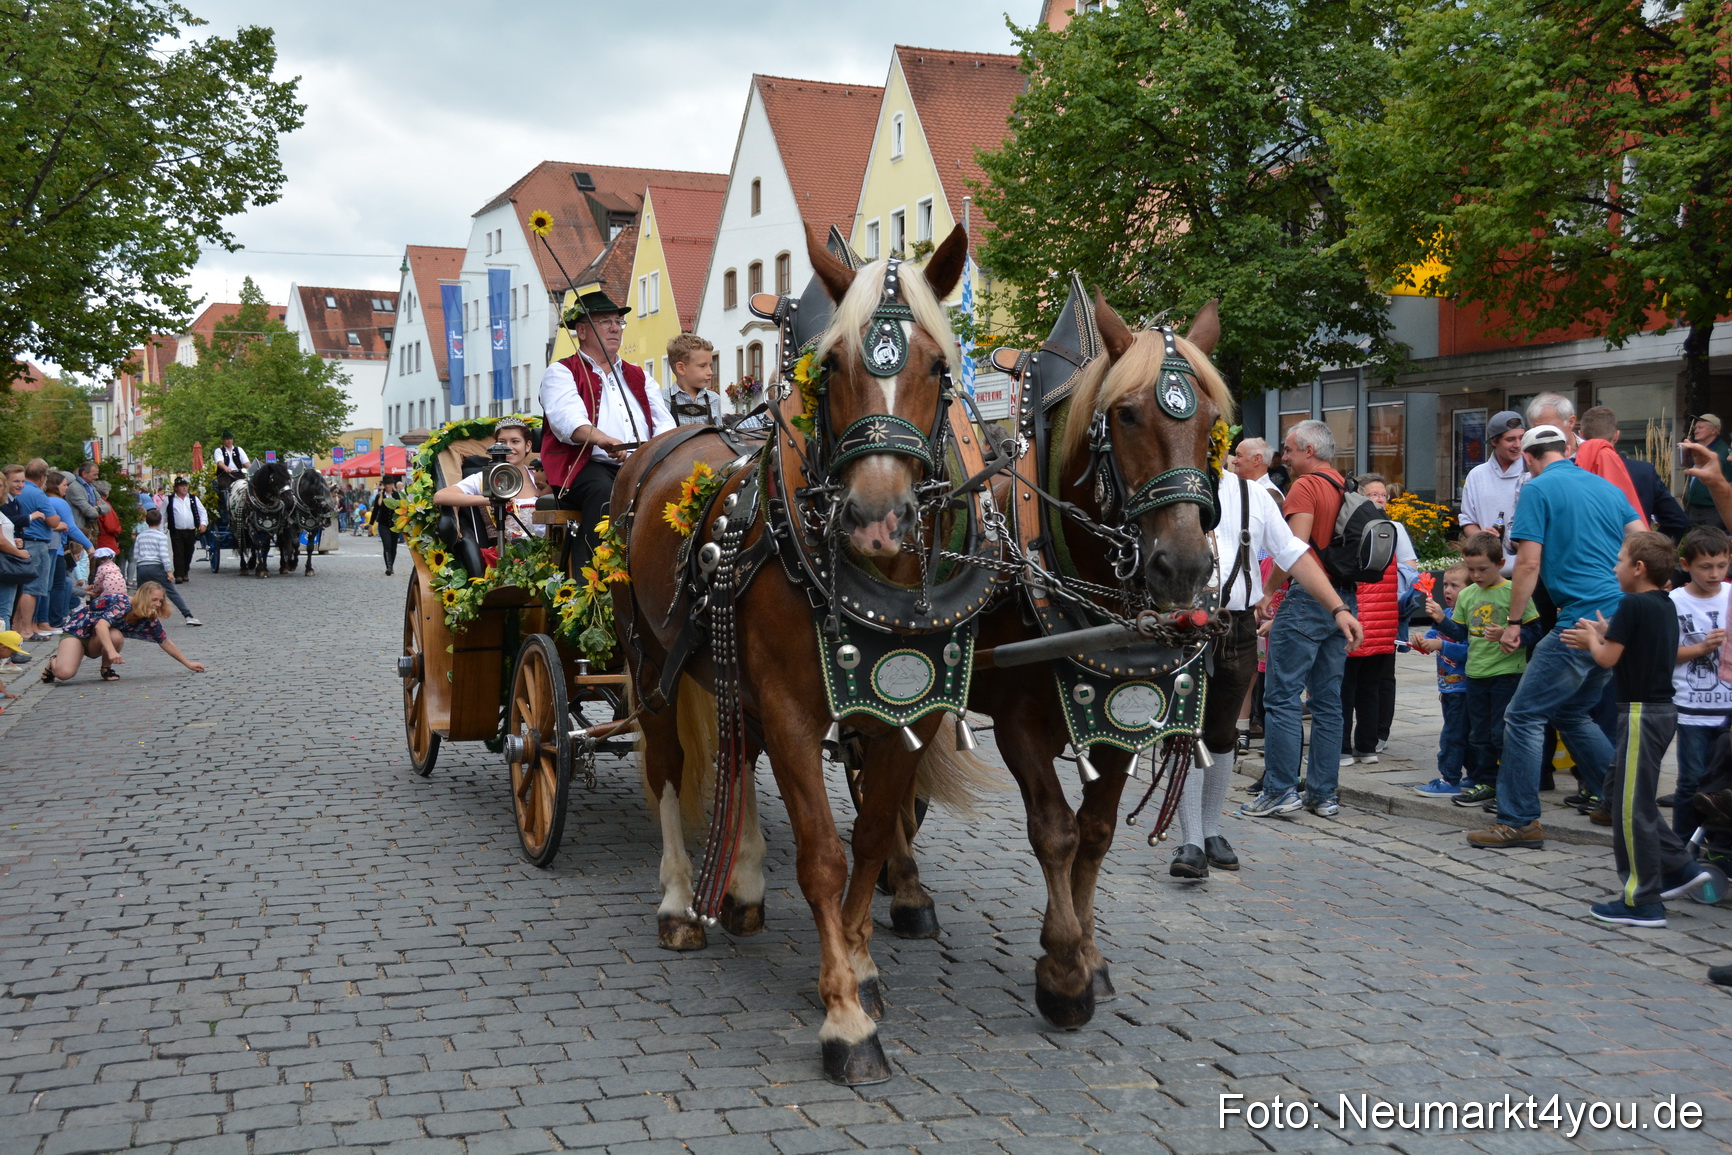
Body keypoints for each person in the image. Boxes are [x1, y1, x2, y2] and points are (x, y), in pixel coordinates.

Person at [1170, 469, 1363, 879]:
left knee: (1222, 733)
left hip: (1235, 626)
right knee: (1184, 730)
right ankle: (1188, 841)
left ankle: (1210, 830)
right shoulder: (1167, 484)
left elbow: (1294, 552)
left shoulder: (1249, 494)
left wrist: (1338, 608)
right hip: (1180, 625)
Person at [1466, 424, 1645, 850]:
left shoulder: (1537, 490)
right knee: (1572, 711)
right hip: (1616, 613)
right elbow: (1643, 540)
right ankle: (1619, 799)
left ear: (1528, 459)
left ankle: (1519, 821)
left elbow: (1527, 564)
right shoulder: (1606, 488)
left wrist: (1513, 623)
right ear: (1566, 450)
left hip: (1578, 620)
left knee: (1523, 715)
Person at [1561, 531, 1712, 926]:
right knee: (1620, 793)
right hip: (1661, 712)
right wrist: (1605, 633)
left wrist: (1592, 640)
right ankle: (1680, 867)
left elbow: (1608, 659)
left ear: (1638, 568)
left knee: (1630, 808)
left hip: (1642, 712)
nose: (1615, 567)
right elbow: (1636, 645)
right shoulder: (1662, 603)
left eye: (1620, 560)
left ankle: (1641, 899)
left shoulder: (1631, 604)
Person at [1242, 419, 1361, 820]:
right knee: (1328, 703)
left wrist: (1269, 592)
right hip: (1342, 600)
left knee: (1281, 697)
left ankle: (1279, 790)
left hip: (1308, 597)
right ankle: (1323, 794)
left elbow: (1293, 549)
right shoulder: (1345, 485)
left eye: (1290, 451)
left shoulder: (1307, 486)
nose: (1285, 459)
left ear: (1309, 451)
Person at [539, 288, 673, 568]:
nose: (615, 328)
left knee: (678, 490)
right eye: (605, 321)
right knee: (604, 494)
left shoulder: (639, 374)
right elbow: (568, 422)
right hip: (585, 466)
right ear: (582, 331)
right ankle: (598, 581)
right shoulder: (562, 372)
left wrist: (658, 454)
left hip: (641, 463)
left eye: (618, 322)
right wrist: (603, 440)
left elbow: (664, 424)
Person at [1429, 533, 1541, 809]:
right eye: (1471, 569)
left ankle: (1508, 786)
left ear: (1501, 563)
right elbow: (1461, 632)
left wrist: (1510, 633)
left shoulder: (1515, 591)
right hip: (1475, 675)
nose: (1476, 575)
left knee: (1500, 732)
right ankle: (1485, 781)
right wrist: (1442, 621)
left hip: (1506, 673)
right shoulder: (1467, 595)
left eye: (1483, 569)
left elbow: (1535, 630)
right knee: (1478, 734)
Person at [1664, 525, 1732, 835]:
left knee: (1723, 788)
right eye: (1705, 567)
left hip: (1727, 710)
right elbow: (1665, 654)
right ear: (1685, 565)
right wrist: (1702, 647)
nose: (1714, 573)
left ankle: (1717, 845)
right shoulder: (1675, 602)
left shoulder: (1730, 595)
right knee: (1691, 779)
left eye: (1721, 565)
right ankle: (1682, 847)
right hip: (1692, 708)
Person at [42, 581, 205, 683]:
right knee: (64, 674)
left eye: (160, 601)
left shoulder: (148, 617)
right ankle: (54, 662)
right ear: (142, 597)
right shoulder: (122, 603)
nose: (157, 604)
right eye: (154, 600)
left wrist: (188, 664)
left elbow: (165, 641)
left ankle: (106, 669)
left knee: (116, 636)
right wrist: (112, 652)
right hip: (78, 632)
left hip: (96, 640)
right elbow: (100, 626)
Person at [433, 417, 545, 562]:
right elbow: (441, 496)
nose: (508, 447)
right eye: (502, 442)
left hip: (543, 554)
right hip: (502, 557)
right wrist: (489, 500)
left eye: (515, 441)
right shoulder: (485, 478)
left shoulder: (538, 478)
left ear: (528, 446)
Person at [1577, 406, 1688, 541]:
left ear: (1581, 435)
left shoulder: (1569, 470)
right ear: (1617, 435)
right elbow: (1677, 521)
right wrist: (1653, 550)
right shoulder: (1644, 471)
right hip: (1633, 553)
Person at [1411, 563, 1470, 796]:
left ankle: (1450, 779)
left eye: (1455, 586)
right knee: (1459, 733)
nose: (1448, 590)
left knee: (1453, 736)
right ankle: (1471, 776)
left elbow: (1468, 649)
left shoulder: (1467, 617)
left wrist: (1441, 644)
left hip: (1463, 688)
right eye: (1445, 584)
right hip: (1447, 687)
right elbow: (1433, 637)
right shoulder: (1445, 614)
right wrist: (1419, 641)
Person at [1458, 410, 1526, 575]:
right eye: (1510, 439)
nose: (1517, 444)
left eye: (1521, 438)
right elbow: (1467, 520)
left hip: (1526, 571)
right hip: (1489, 574)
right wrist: (1481, 537)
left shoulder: (1532, 472)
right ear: (1494, 441)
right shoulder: (1477, 475)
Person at [12, 461, 67, 641]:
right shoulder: (37, 493)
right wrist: (57, 518)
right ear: (43, 477)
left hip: (21, 540)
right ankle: (27, 628)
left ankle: (19, 626)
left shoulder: (18, 492)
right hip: (36, 542)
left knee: (22, 587)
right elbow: (53, 521)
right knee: (32, 588)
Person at [42, 471, 94, 631]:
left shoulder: (44, 500)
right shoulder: (60, 503)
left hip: (47, 547)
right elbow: (71, 527)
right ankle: (56, 620)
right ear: (55, 486)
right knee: (58, 584)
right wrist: (89, 545)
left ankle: (46, 619)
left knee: (50, 585)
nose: (67, 488)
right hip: (56, 549)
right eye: (64, 485)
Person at [131, 508, 200, 626]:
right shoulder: (161, 536)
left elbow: (135, 554)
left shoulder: (140, 536)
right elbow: (164, 555)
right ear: (160, 521)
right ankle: (188, 615)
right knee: (170, 592)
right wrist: (169, 571)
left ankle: (136, 617)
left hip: (142, 566)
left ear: (146, 521)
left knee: (141, 593)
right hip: (156, 566)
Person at [665, 333, 726, 427]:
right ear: (681, 368)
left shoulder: (714, 399)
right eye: (702, 366)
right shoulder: (663, 400)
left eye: (710, 366)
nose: (710, 372)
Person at [1683, 414, 1731, 528]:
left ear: (1713, 430)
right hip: (1694, 508)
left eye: (1700, 427)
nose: (1696, 430)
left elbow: (1728, 482)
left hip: (1713, 510)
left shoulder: (1723, 452)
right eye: (1695, 428)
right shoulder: (1696, 449)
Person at [161, 476, 207, 584]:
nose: (184, 488)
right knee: (178, 553)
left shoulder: (193, 498)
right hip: (176, 530)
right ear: (176, 488)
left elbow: (202, 511)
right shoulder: (169, 500)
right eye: (182, 486)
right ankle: (178, 574)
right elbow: (162, 515)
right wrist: (160, 530)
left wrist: (203, 523)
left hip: (190, 530)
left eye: (185, 486)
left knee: (189, 552)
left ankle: (185, 571)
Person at [63, 460, 108, 541]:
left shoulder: (91, 487)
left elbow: (107, 508)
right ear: (84, 474)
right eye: (94, 474)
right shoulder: (75, 488)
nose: (97, 477)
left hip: (88, 531)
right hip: (78, 532)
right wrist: (98, 510)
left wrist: (97, 508)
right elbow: (91, 513)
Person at [1230, 438, 1283, 506]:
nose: (1233, 461)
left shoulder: (1268, 495)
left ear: (1256, 459)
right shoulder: (1246, 488)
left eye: (1239, 455)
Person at [376, 475, 403, 577]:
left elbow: (401, 509)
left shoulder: (397, 495)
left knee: (393, 547)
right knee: (386, 545)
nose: (388, 486)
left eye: (389, 484)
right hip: (383, 524)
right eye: (386, 484)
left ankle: (391, 565)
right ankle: (389, 567)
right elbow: (375, 511)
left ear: (392, 484)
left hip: (394, 525)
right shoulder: (380, 496)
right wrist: (370, 524)